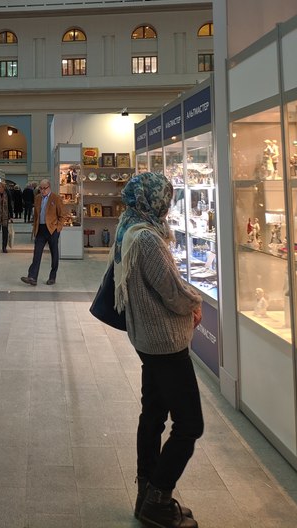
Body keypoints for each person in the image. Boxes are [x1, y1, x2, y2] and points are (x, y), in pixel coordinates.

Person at [111, 172, 202, 528]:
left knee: (153, 415)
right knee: (189, 424)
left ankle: (146, 494)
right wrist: (195, 304)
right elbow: (172, 292)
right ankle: (158, 498)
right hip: (165, 342)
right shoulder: (148, 239)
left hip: (148, 340)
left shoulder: (128, 229)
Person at [21, 178, 64, 285]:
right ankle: (32, 277)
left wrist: (58, 228)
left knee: (54, 254)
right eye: (41, 188)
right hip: (40, 229)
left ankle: (52, 277)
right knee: (37, 253)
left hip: (52, 230)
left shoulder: (56, 198)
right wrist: (35, 227)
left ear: (49, 187)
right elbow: (36, 215)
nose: (43, 190)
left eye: (45, 188)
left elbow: (62, 215)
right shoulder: (37, 198)